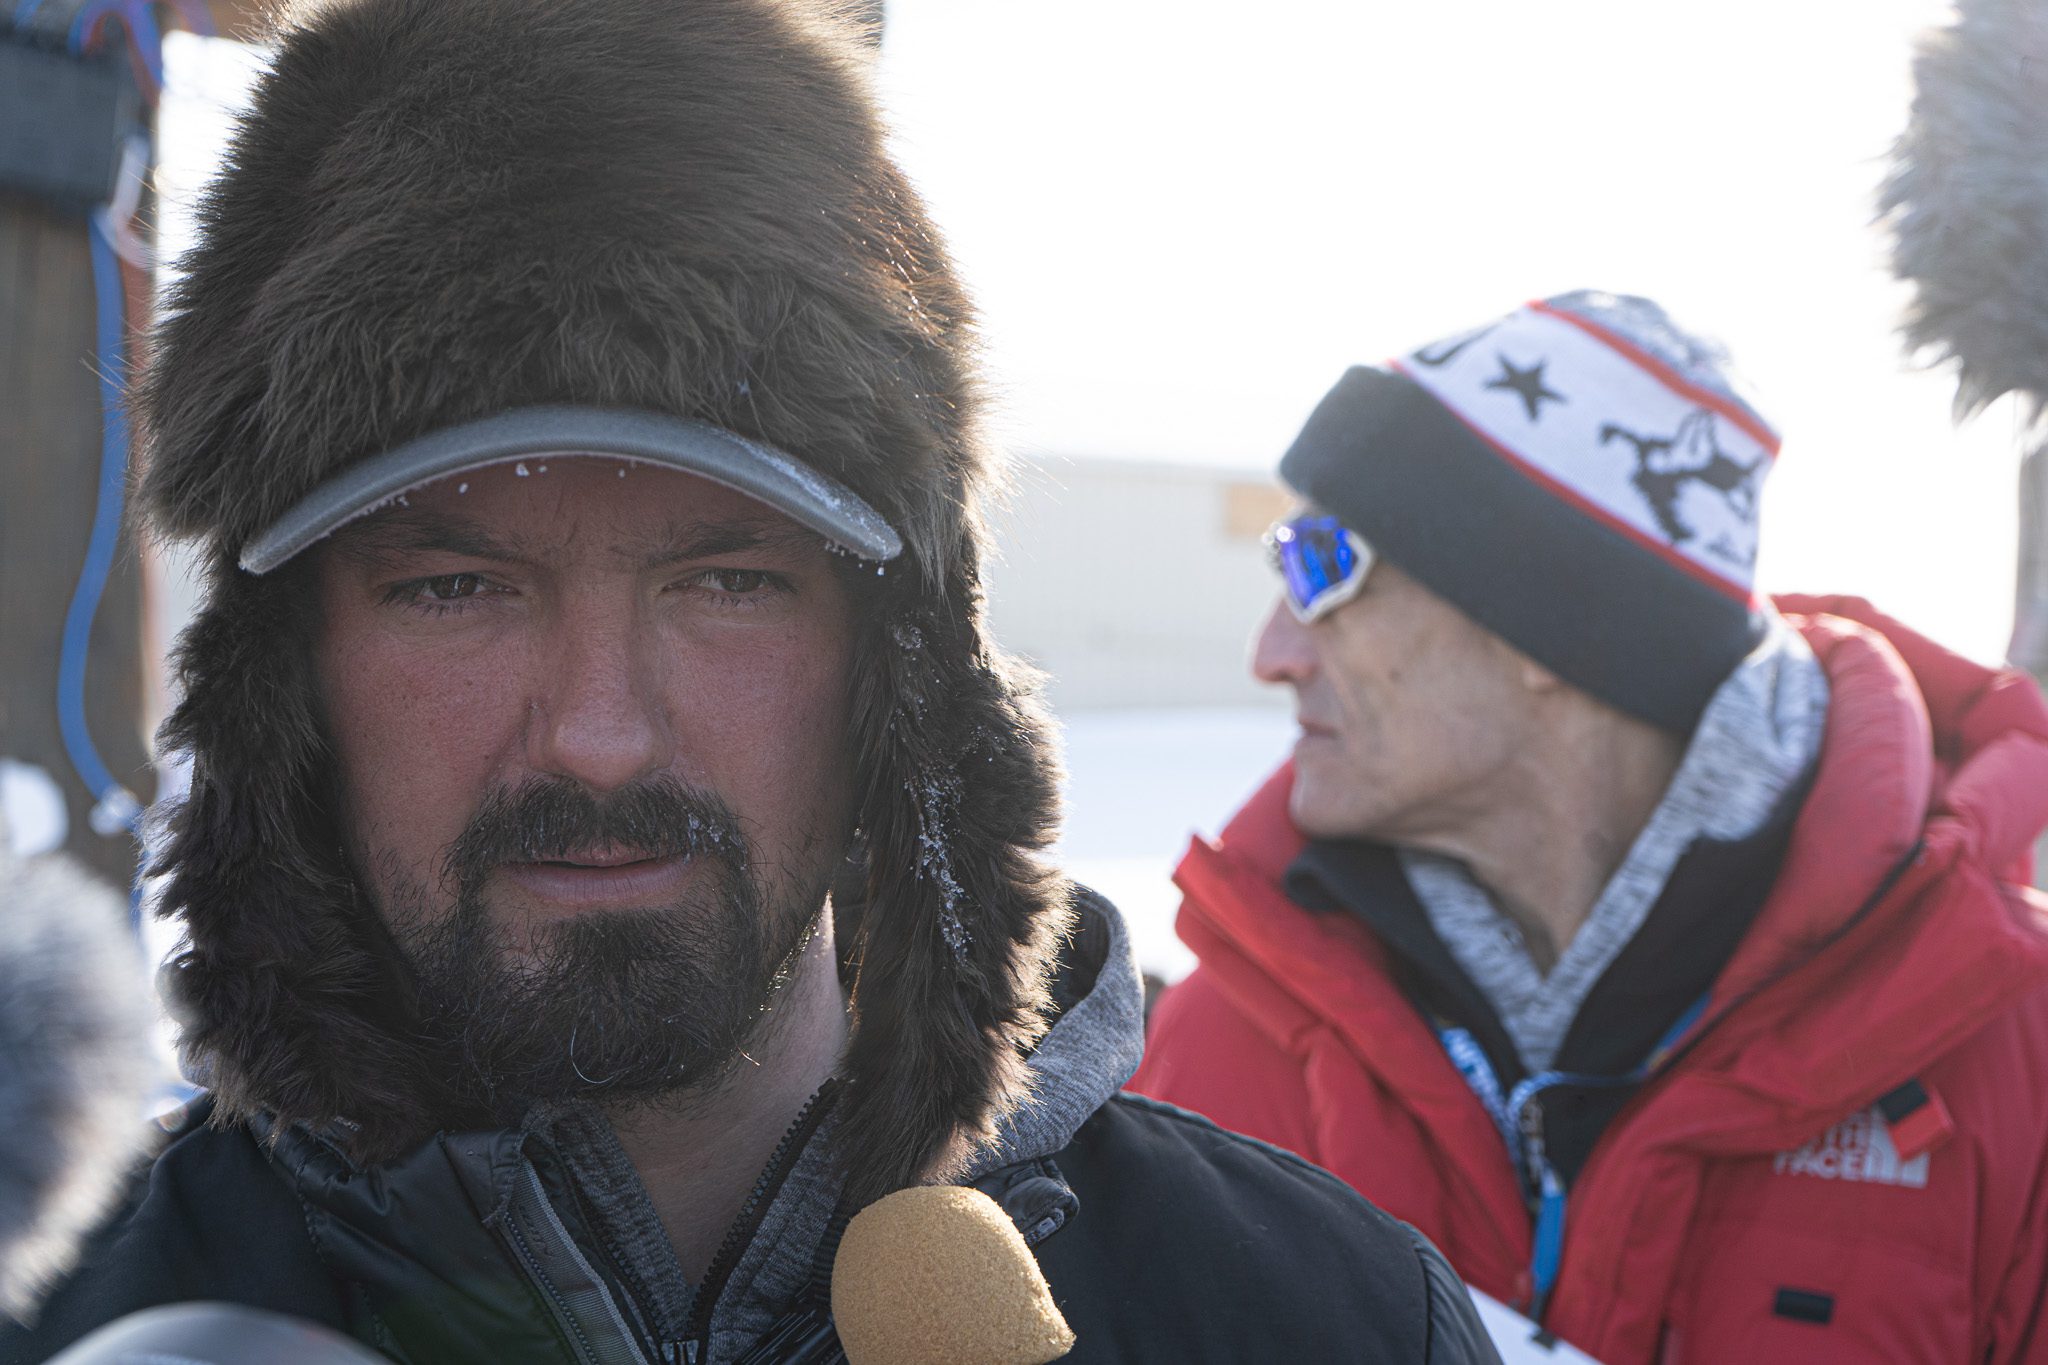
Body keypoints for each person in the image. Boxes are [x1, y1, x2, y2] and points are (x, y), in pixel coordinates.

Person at [0, 2, 1498, 1362]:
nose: (596, 735)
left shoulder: (1325, 1323)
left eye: (727, 583)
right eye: (454, 588)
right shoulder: (64, 1321)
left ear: (902, 666)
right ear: (285, 685)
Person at [1132, 292, 2048, 1364]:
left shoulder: (2003, 1047)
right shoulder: (1225, 1037)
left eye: (1323, 563)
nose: (1271, 650)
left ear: (1546, 629)